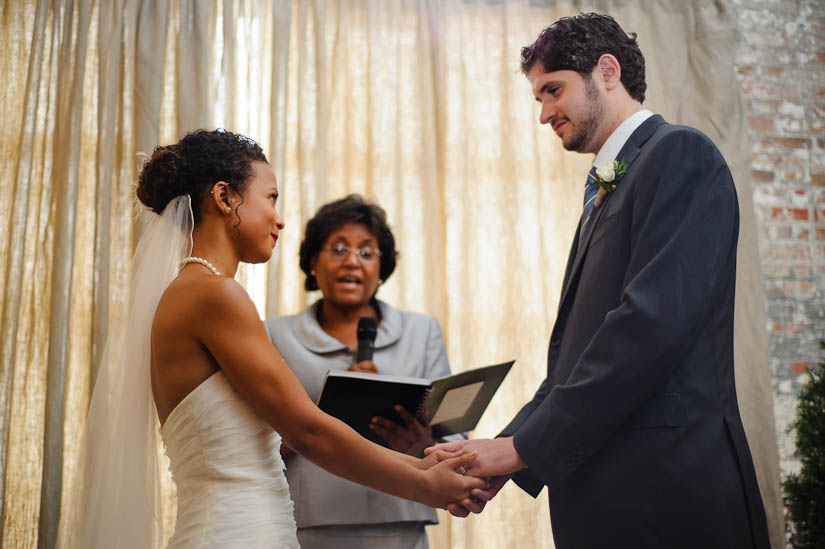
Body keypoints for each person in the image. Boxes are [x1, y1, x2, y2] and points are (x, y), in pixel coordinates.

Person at [428, 13, 772, 549]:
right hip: (608, 497)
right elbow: (577, 358)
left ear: (607, 71)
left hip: (666, 498)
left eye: (553, 90)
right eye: (538, 98)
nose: (543, 114)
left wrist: (521, 448)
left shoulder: (681, 155)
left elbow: (647, 329)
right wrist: (497, 452)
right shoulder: (607, 188)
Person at [58, 129, 485, 548]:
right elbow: (306, 430)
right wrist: (424, 486)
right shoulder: (215, 293)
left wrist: (430, 466)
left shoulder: (191, 290)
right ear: (225, 198)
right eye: (271, 198)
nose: (279, 218)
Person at [265, 195, 463, 549]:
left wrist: (423, 445)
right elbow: (254, 440)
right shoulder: (274, 335)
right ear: (312, 261)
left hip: (401, 520)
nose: (352, 261)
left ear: (382, 267)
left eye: (367, 252)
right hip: (310, 523)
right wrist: (322, 415)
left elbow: (454, 436)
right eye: (338, 249)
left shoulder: (422, 332)